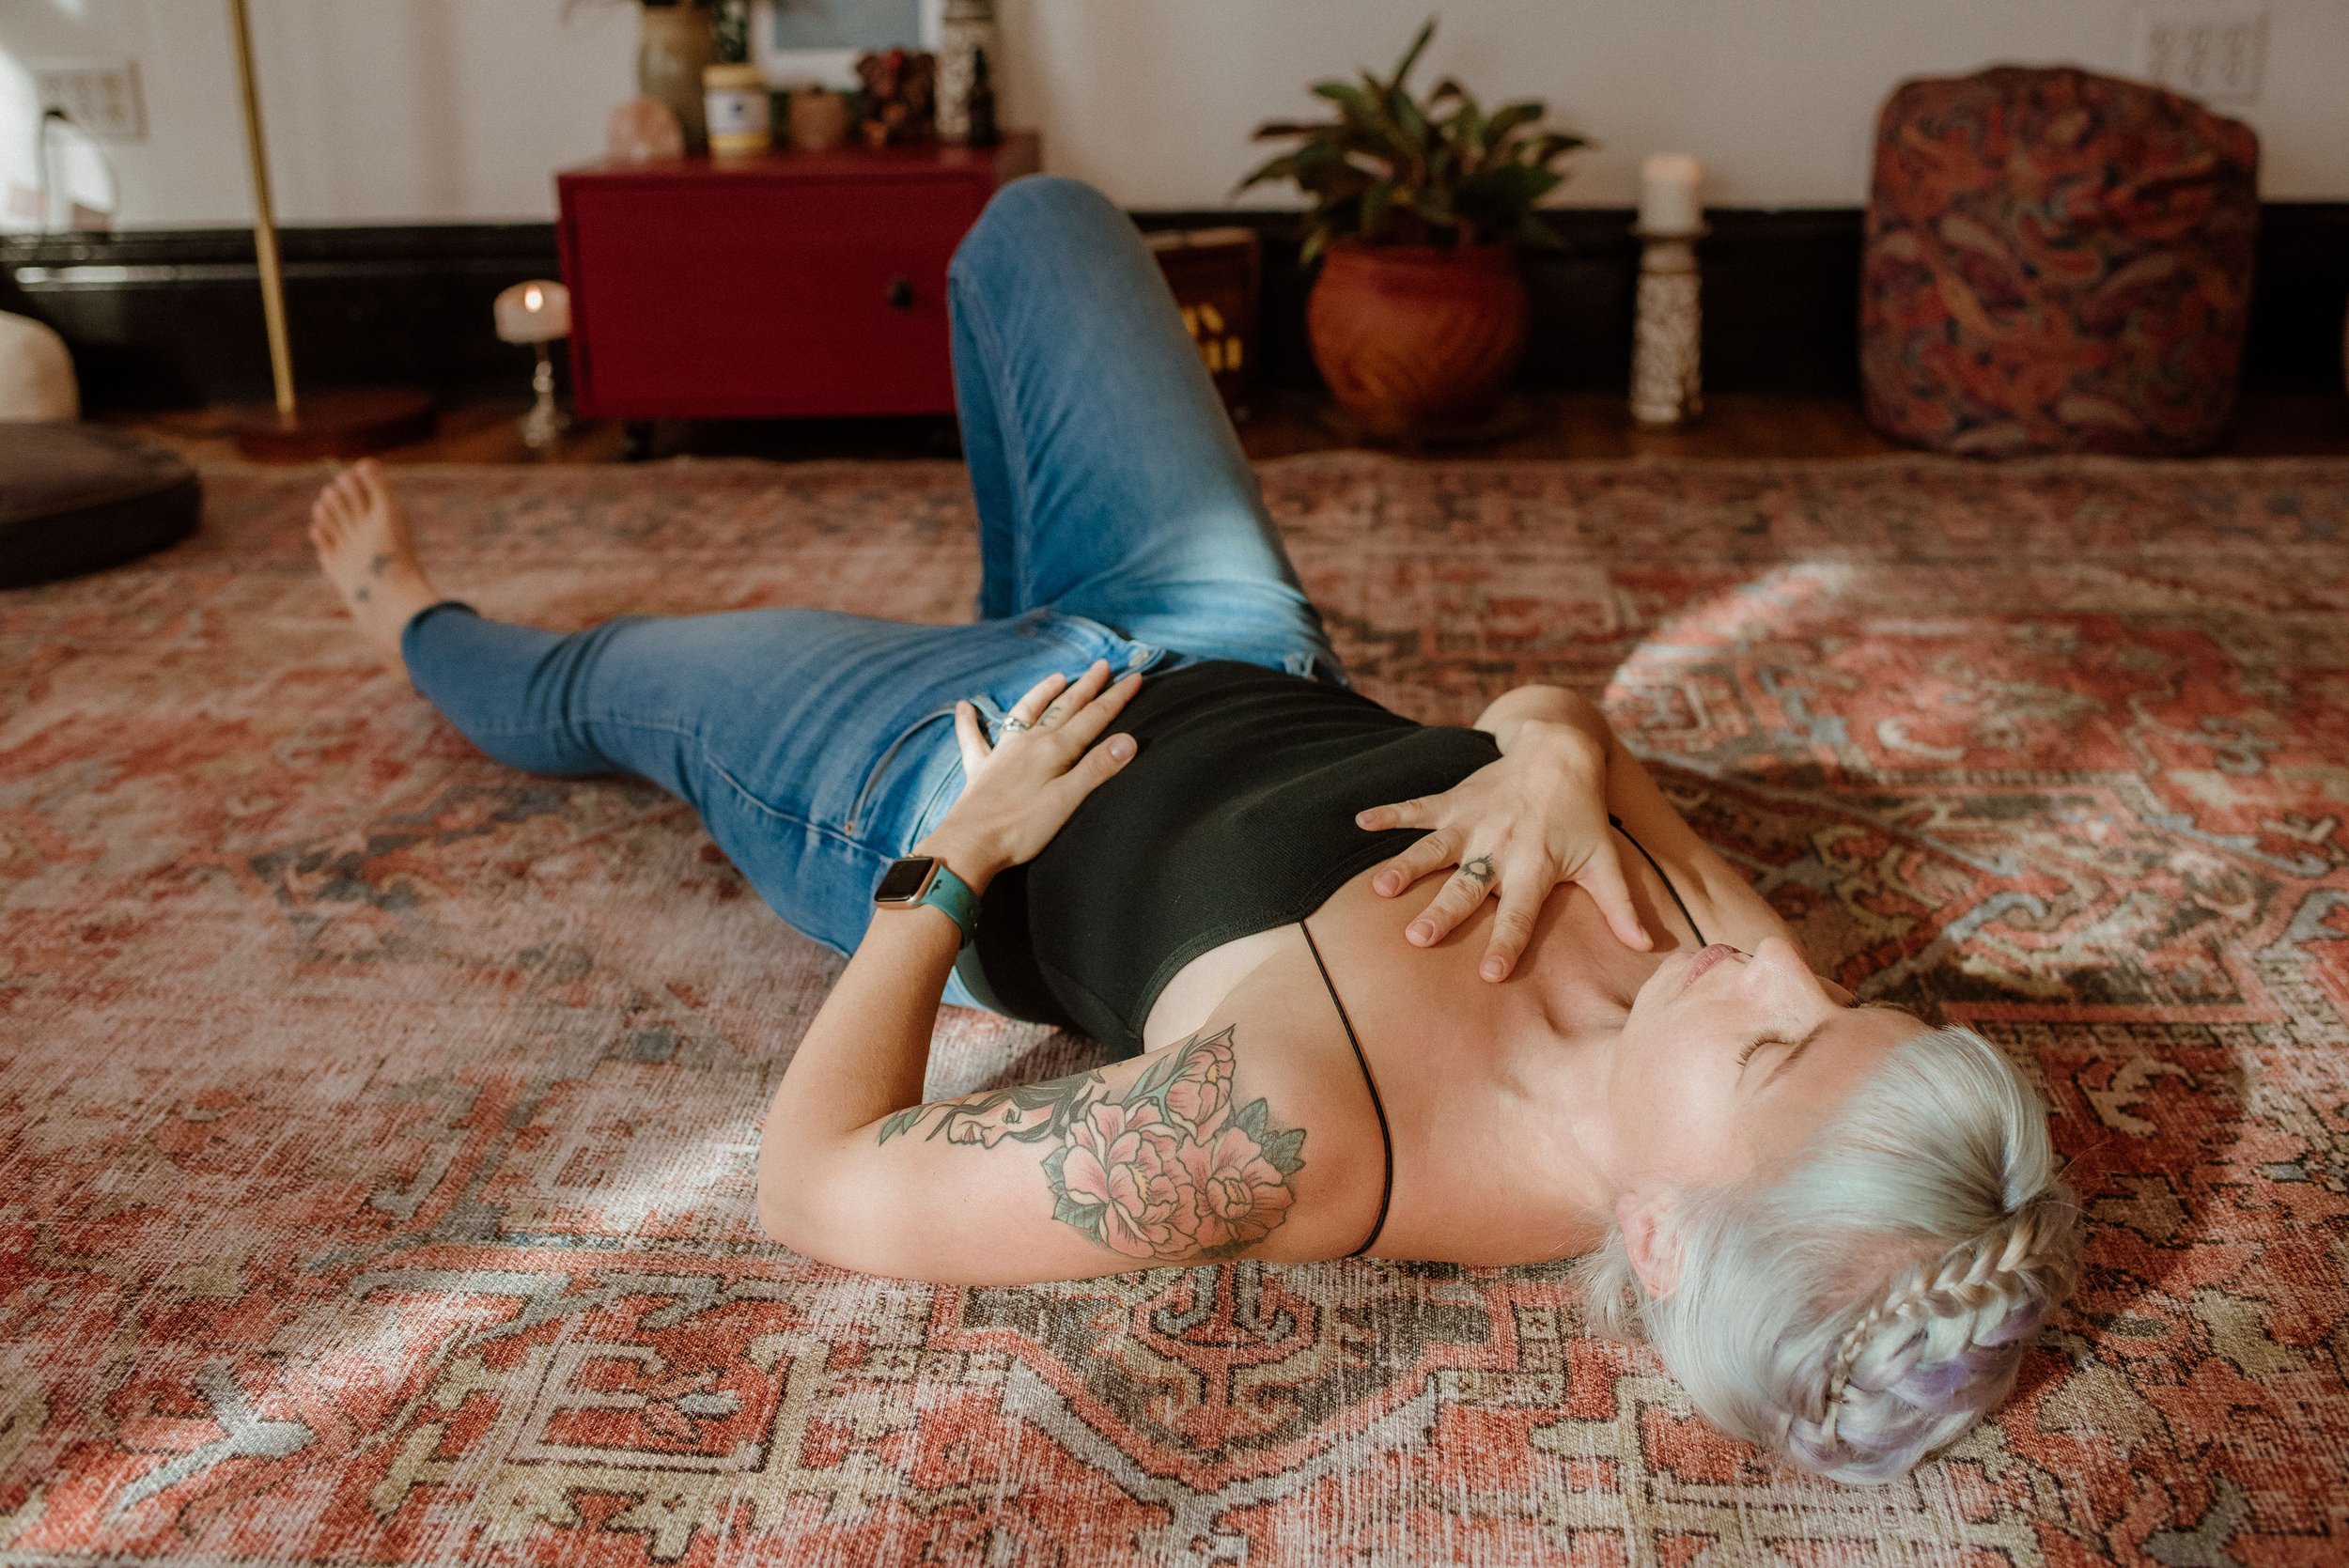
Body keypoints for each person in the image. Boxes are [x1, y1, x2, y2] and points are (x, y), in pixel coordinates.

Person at [308, 176, 2078, 1483]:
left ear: (1669, 1237)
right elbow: (1574, 731)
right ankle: (1015, 588)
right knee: (1037, 227)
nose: (1769, 965)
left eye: (1775, 1049)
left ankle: (407, 616)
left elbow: (818, 1178)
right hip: (1223, 632)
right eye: (1836, 1004)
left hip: (923, 771)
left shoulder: (1300, 1139)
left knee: (603, 680)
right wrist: (1547, 749)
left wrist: (961, 850)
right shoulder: (1744, 996)